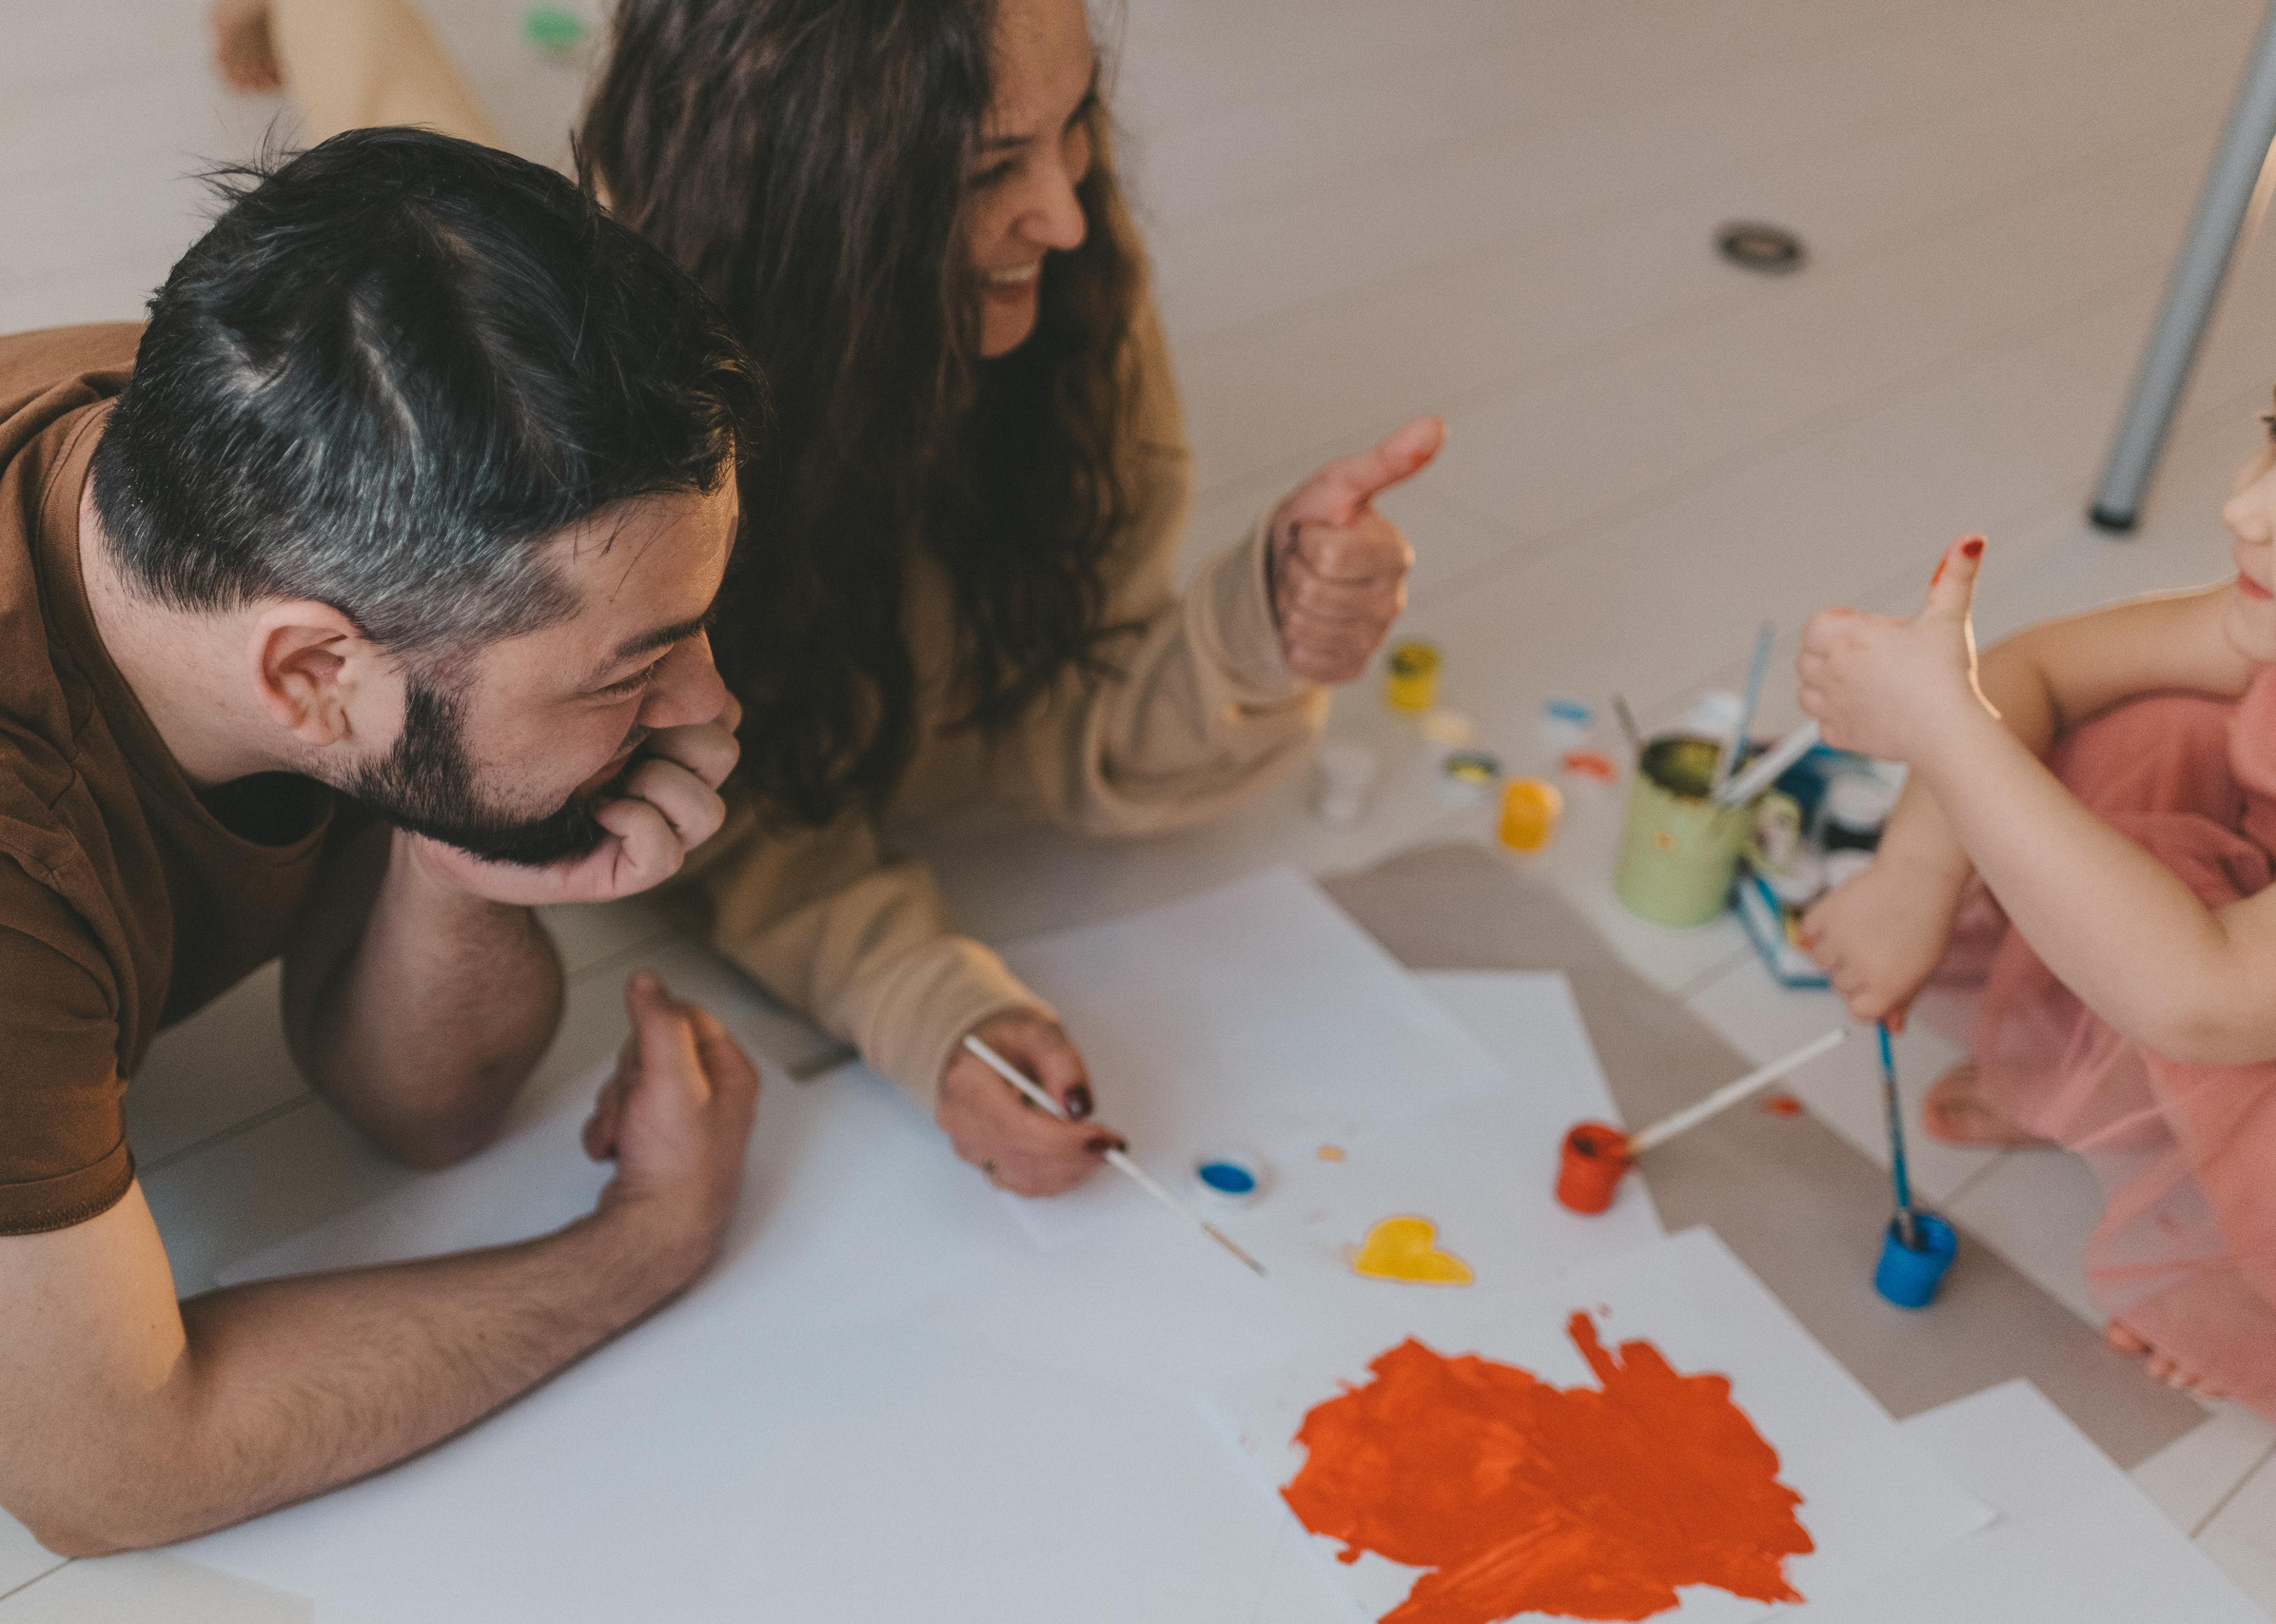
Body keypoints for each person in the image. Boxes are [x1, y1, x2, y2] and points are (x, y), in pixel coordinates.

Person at [208, 0, 1441, 1200]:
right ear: (809, 192)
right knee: (434, 214)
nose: (1068, 217)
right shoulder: (658, 421)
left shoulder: (1075, 284)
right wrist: (924, 1001)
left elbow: (1074, 695)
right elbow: (732, 818)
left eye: (1078, 125)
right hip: (632, 301)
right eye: (990, 169)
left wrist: (1256, 628)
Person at [0, 127, 771, 1553]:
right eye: (631, 668)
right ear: (309, 675)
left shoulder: (263, 473)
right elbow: (113, 1471)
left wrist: (471, 850)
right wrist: (642, 1243)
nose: (706, 705)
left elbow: (421, 1112)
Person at [1794, 204, 2276, 1462]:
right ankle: (2076, 1082)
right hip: (2258, 979)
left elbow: (2208, 998)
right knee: (2125, 746)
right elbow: (2032, 674)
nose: (2244, 506)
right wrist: (1915, 873)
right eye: (2275, 437)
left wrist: (1942, 728)